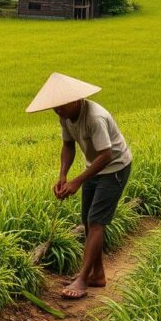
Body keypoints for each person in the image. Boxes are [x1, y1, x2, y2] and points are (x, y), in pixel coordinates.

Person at [26, 72, 132, 300]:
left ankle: (83, 278)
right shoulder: (65, 115)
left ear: (75, 101)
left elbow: (106, 155)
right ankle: (97, 275)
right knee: (87, 220)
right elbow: (68, 145)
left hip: (114, 167)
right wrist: (63, 175)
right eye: (55, 107)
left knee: (96, 221)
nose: (57, 111)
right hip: (94, 166)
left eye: (60, 107)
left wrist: (78, 180)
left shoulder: (95, 117)